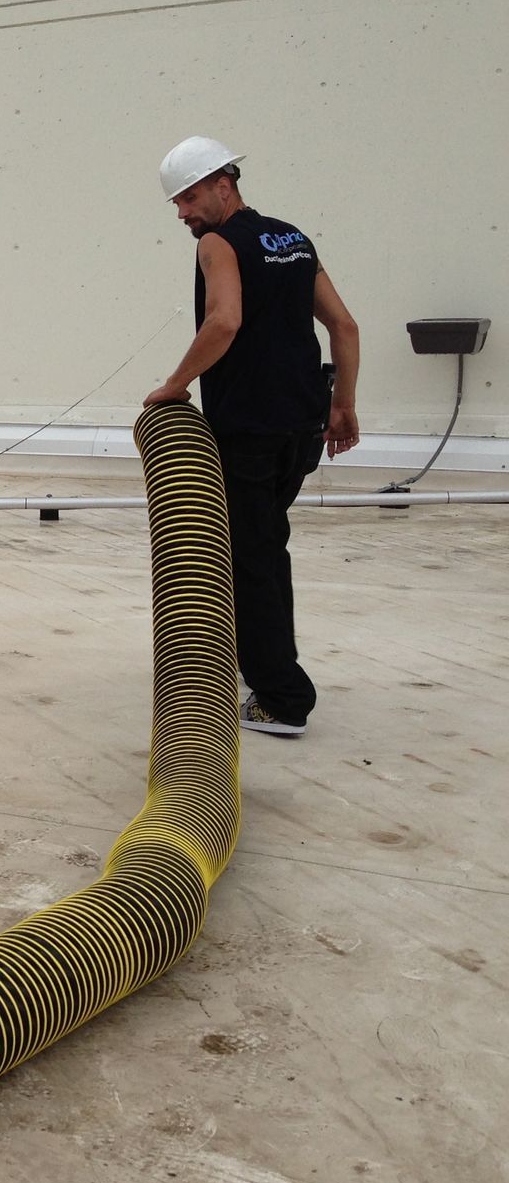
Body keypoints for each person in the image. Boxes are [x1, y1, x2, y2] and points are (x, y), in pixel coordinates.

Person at [142, 136, 360, 738]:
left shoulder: (218, 242)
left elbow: (225, 320)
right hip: (301, 423)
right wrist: (343, 405)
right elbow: (344, 324)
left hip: (249, 427)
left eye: (187, 198)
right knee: (265, 544)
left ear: (223, 183)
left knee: (252, 558)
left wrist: (174, 385)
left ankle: (282, 698)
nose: (183, 213)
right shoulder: (292, 238)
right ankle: (261, 671)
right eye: (177, 203)